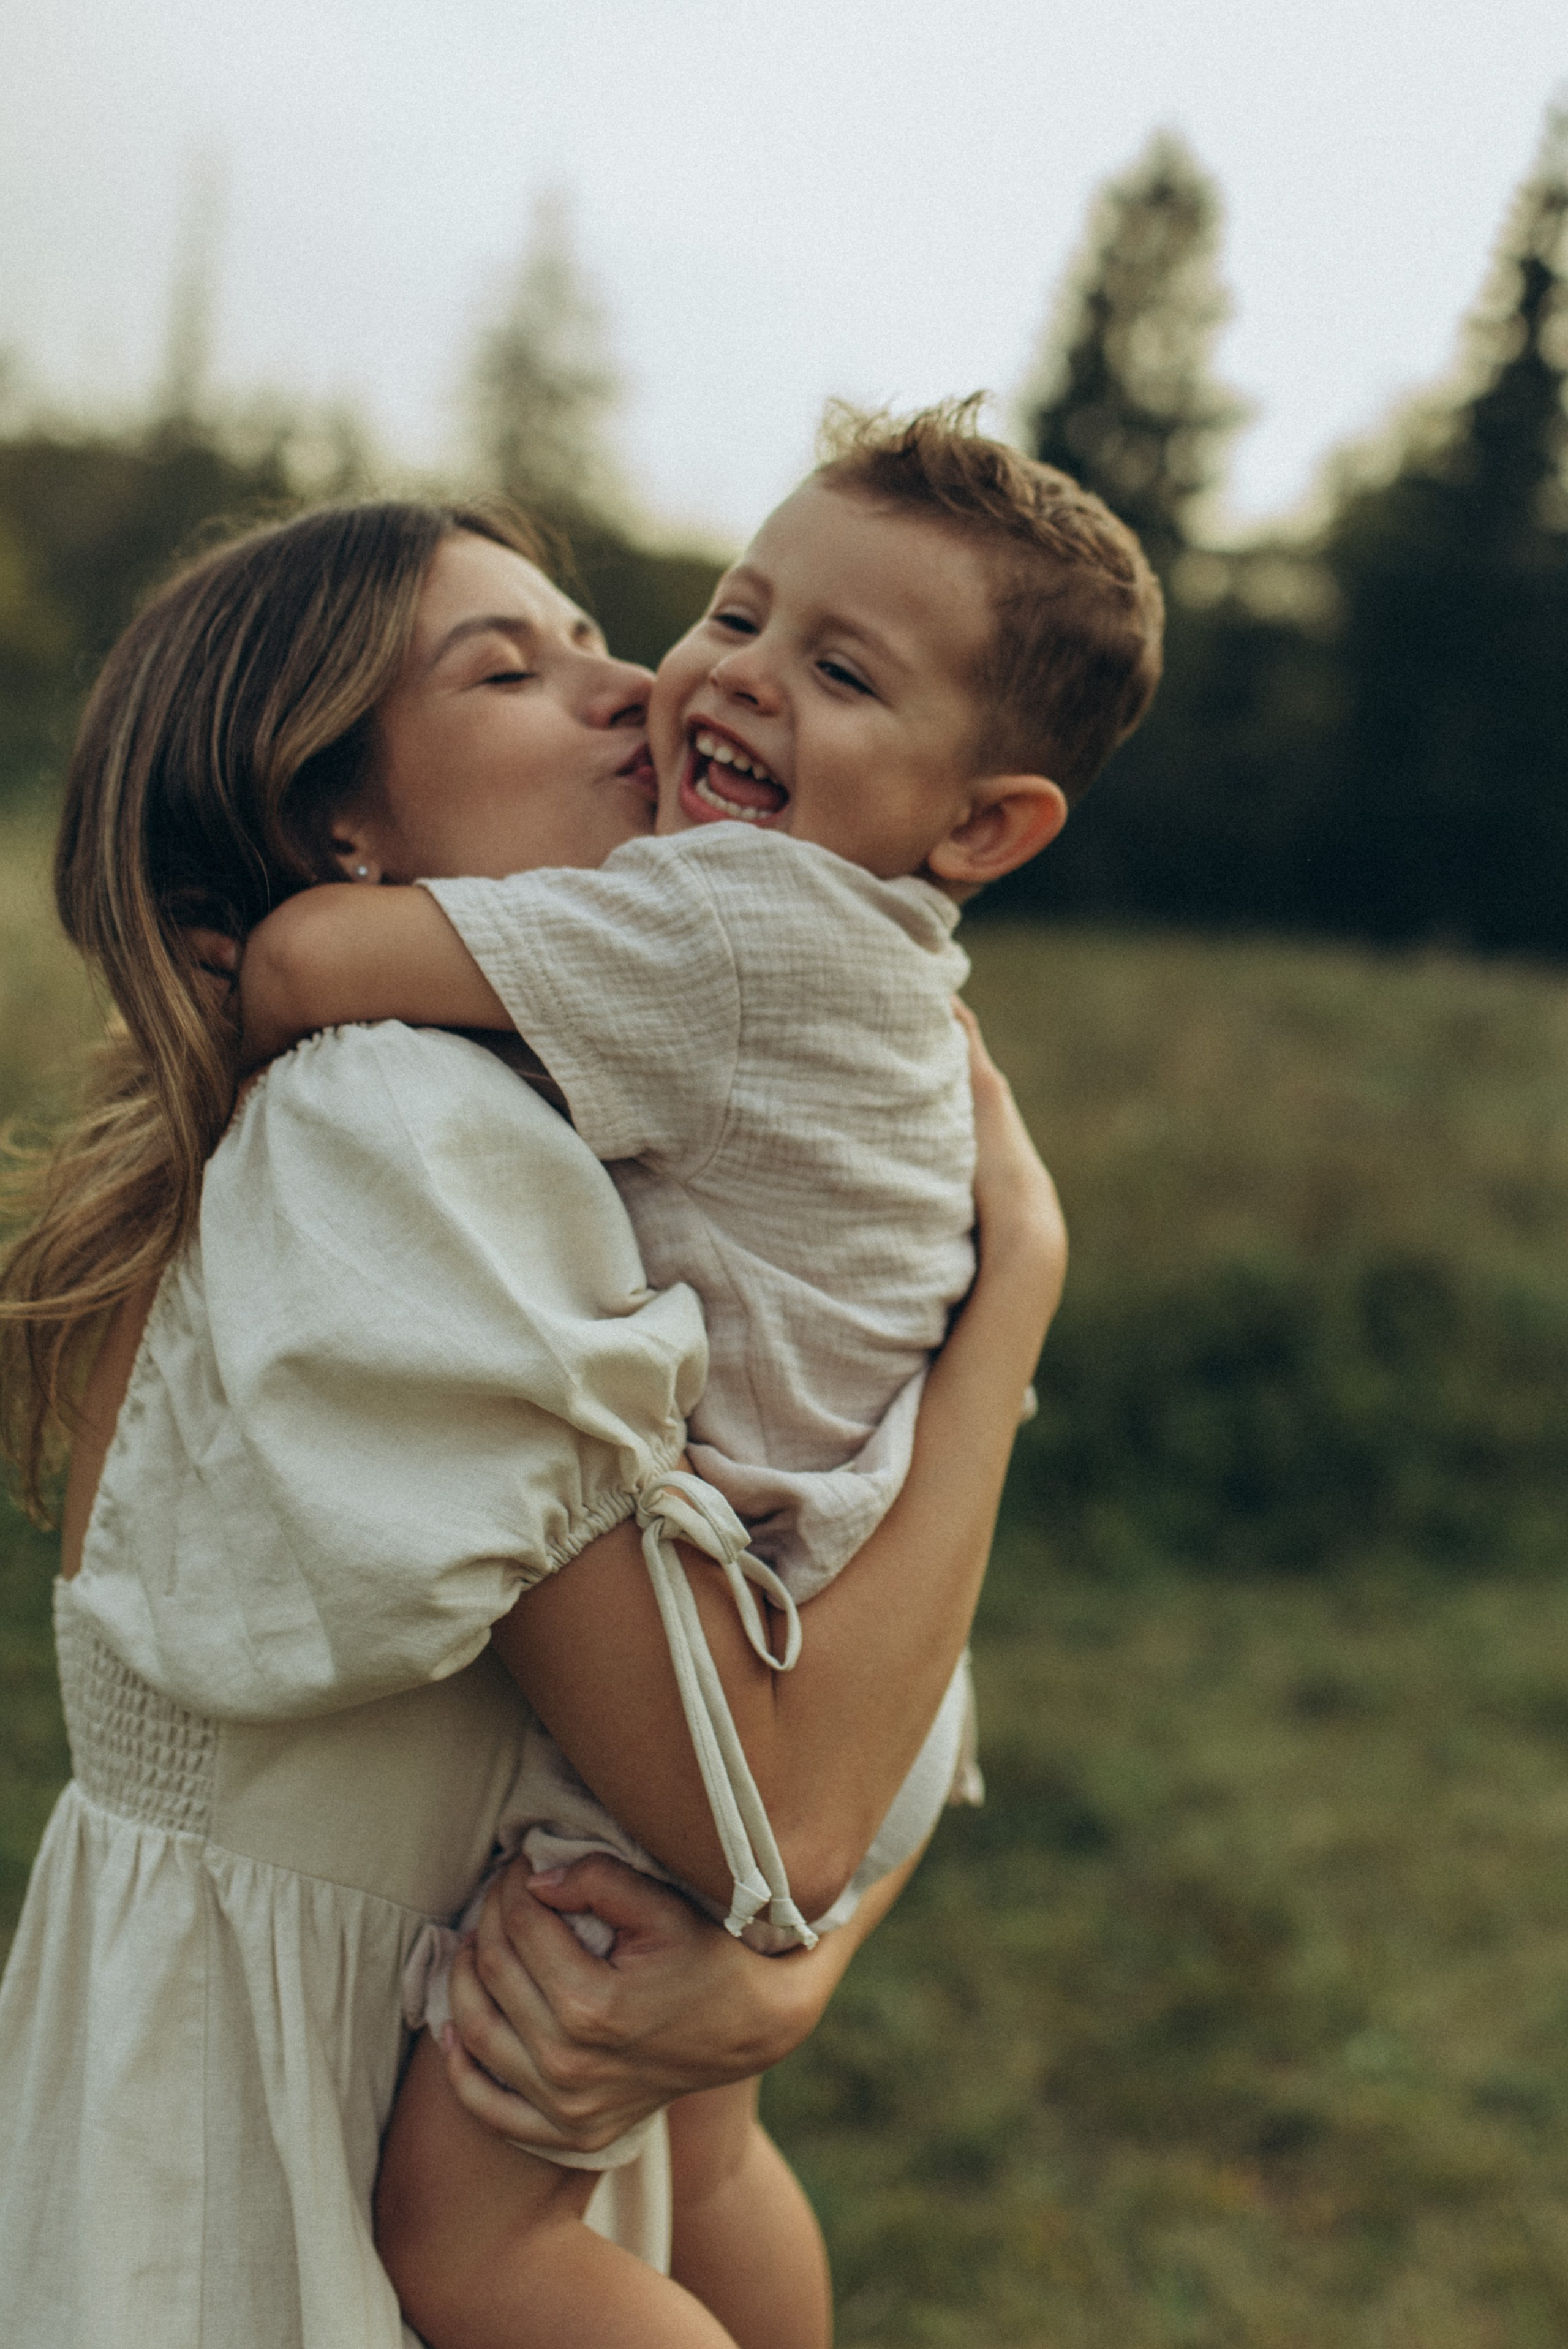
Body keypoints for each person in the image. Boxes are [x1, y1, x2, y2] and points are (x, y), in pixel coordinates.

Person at [0, 494, 1068, 2349]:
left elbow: (863, 1708)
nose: (638, 685)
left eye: (597, 635)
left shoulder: (592, 1137)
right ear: (332, 827)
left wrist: (774, 1986)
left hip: (483, 2058)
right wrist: (1016, 1305)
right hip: (267, 2182)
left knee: (707, 2167)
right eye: (512, 665)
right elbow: (791, 1808)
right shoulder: (389, 1137)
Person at [235, 407, 1163, 2348]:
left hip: (756, 1688)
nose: (728, 676)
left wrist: (273, 919)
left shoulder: (725, 925)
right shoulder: (886, 950)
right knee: (714, 2165)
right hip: (896, 1665)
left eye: (837, 670)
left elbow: (316, 966)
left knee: (471, 2242)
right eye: (738, 611)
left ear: (984, 825)